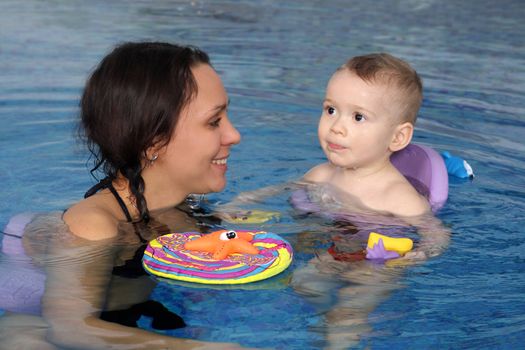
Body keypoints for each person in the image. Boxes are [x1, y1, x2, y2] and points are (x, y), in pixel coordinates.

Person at [0, 42, 242, 349]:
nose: (234, 135)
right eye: (214, 121)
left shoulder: (182, 209)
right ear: (154, 142)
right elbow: (69, 328)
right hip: (35, 323)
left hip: (119, 315)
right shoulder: (92, 226)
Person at [303, 52, 429, 217]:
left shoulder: (402, 201)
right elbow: (282, 192)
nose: (336, 127)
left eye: (358, 117)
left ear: (397, 137)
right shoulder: (320, 175)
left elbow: (435, 235)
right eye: (331, 110)